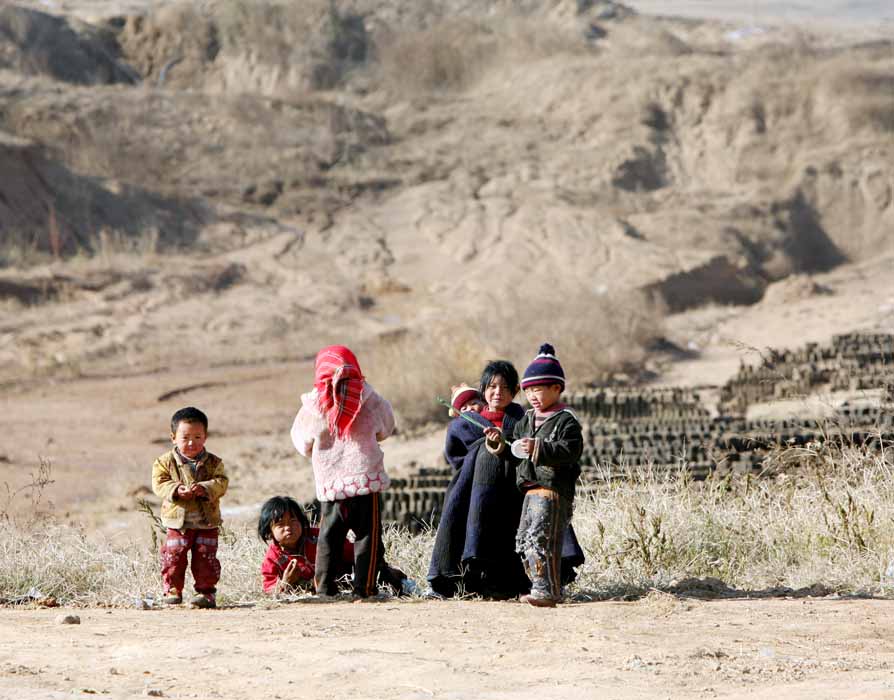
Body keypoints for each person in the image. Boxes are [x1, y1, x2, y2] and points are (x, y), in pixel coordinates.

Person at [290, 345, 395, 599]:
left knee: (329, 537)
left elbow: (302, 442)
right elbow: (387, 427)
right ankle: (365, 589)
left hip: (331, 485)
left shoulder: (313, 406)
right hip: (365, 481)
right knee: (367, 537)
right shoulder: (370, 398)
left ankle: (324, 589)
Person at [485, 344, 582, 608]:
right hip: (529, 489)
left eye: (538, 389)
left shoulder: (566, 420)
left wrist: (539, 448)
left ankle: (547, 590)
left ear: (556, 389)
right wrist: (500, 444)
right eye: (528, 390)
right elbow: (515, 450)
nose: (532, 396)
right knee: (525, 539)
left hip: (552, 489)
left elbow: (570, 450)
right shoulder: (526, 419)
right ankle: (541, 586)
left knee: (542, 538)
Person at [427, 362, 530, 599]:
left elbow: (528, 452)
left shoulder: (522, 420)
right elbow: (455, 457)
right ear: (483, 390)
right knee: (477, 531)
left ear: (515, 391)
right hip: (476, 492)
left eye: (505, 388)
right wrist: (484, 453)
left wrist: (506, 446)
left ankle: (511, 583)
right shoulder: (464, 424)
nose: (498, 392)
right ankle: (469, 582)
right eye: (492, 386)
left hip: (513, 492)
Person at [151, 406, 229, 609]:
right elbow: (159, 483)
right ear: (173, 437)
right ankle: (172, 591)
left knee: (205, 557)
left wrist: (205, 488)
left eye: (197, 436)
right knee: (174, 556)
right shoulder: (164, 462)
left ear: (205, 437)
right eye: (185, 437)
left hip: (206, 521)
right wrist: (176, 490)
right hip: (178, 522)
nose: (191, 442)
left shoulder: (213, 462)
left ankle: (205, 594)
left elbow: (221, 482)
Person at [258, 495, 407, 595]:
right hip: (318, 594)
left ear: (303, 522)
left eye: (293, 520)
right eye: (280, 524)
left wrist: (375, 568)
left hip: (347, 579)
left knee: (382, 576)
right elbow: (269, 589)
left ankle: (400, 583)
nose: (288, 527)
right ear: (269, 533)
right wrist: (285, 582)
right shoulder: (273, 559)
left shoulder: (318, 537)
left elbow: (353, 553)